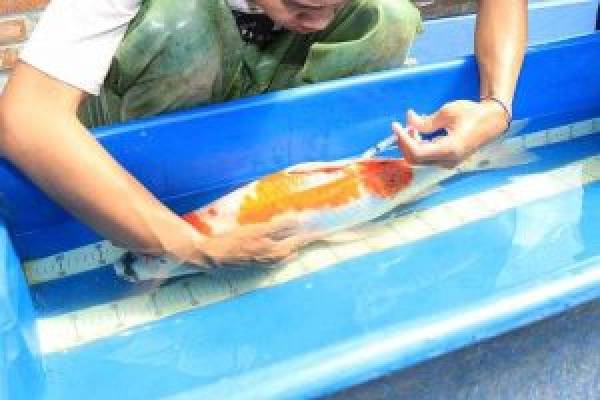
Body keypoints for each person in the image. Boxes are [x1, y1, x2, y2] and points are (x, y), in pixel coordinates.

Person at [0, 0, 526, 270]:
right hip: (144, 120)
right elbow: (26, 118)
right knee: (178, 27)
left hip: (272, 102)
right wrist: (189, 244)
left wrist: (496, 107)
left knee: (386, 16)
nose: (316, 20)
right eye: (302, 2)